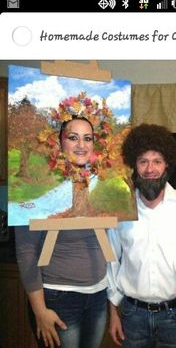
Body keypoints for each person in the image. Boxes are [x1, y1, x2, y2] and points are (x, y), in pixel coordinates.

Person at [107, 123, 176, 348]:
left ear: (167, 165)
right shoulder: (121, 209)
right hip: (132, 317)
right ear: (134, 164)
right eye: (143, 161)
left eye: (157, 161)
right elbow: (112, 261)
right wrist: (113, 312)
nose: (149, 169)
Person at [15, 116, 107, 348]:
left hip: (98, 294)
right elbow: (26, 250)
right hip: (58, 296)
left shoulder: (103, 183)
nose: (81, 145)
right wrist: (39, 309)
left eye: (87, 138)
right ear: (59, 142)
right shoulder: (39, 186)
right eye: (73, 138)